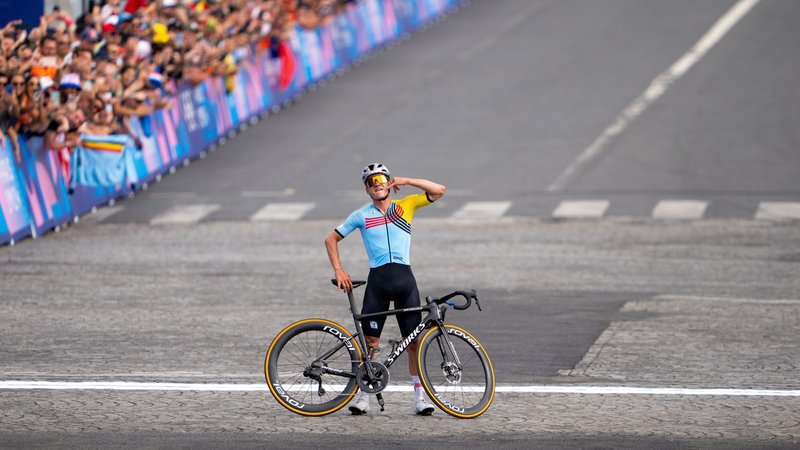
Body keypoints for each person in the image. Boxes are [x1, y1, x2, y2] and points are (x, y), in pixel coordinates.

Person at [324, 163, 446, 416]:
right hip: (378, 282)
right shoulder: (361, 215)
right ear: (367, 190)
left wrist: (409, 179)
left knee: (412, 342)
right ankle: (363, 397)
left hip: (405, 281)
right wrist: (339, 269)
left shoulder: (407, 205)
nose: (377, 184)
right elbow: (331, 239)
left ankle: (419, 400)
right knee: (370, 343)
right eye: (371, 182)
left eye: (381, 179)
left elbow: (439, 190)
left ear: (389, 182)